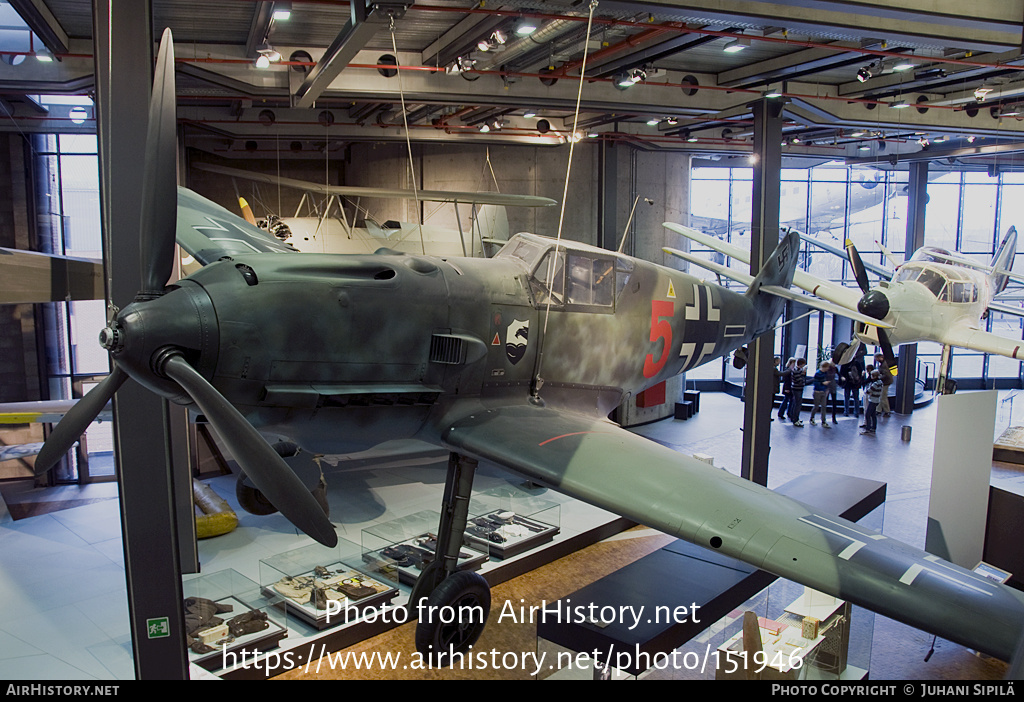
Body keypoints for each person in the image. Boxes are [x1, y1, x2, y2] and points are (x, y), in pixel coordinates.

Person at [808, 361, 833, 427]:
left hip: (823, 391)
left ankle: (823, 421)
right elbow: (815, 383)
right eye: (827, 367)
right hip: (817, 392)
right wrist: (822, 383)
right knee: (816, 406)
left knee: (824, 406)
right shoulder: (818, 373)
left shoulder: (826, 373)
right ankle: (812, 418)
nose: (828, 369)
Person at [862, 369, 884, 435]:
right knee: (873, 415)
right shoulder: (880, 382)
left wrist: (868, 392)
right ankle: (873, 428)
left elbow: (868, 391)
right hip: (877, 400)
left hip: (873, 400)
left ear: (874, 376)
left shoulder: (875, 384)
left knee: (868, 414)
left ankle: (868, 429)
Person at [788, 358, 808, 426]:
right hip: (797, 389)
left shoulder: (798, 370)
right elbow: (800, 381)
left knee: (795, 403)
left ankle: (794, 417)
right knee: (797, 404)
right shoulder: (796, 371)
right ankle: (795, 419)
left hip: (797, 388)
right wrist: (803, 375)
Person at [777, 357, 796, 422]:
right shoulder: (788, 370)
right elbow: (787, 380)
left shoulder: (791, 370)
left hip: (790, 387)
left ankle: (789, 413)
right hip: (788, 387)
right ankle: (781, 413)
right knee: (786, 400)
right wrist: (787, 388)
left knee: (790, 400)